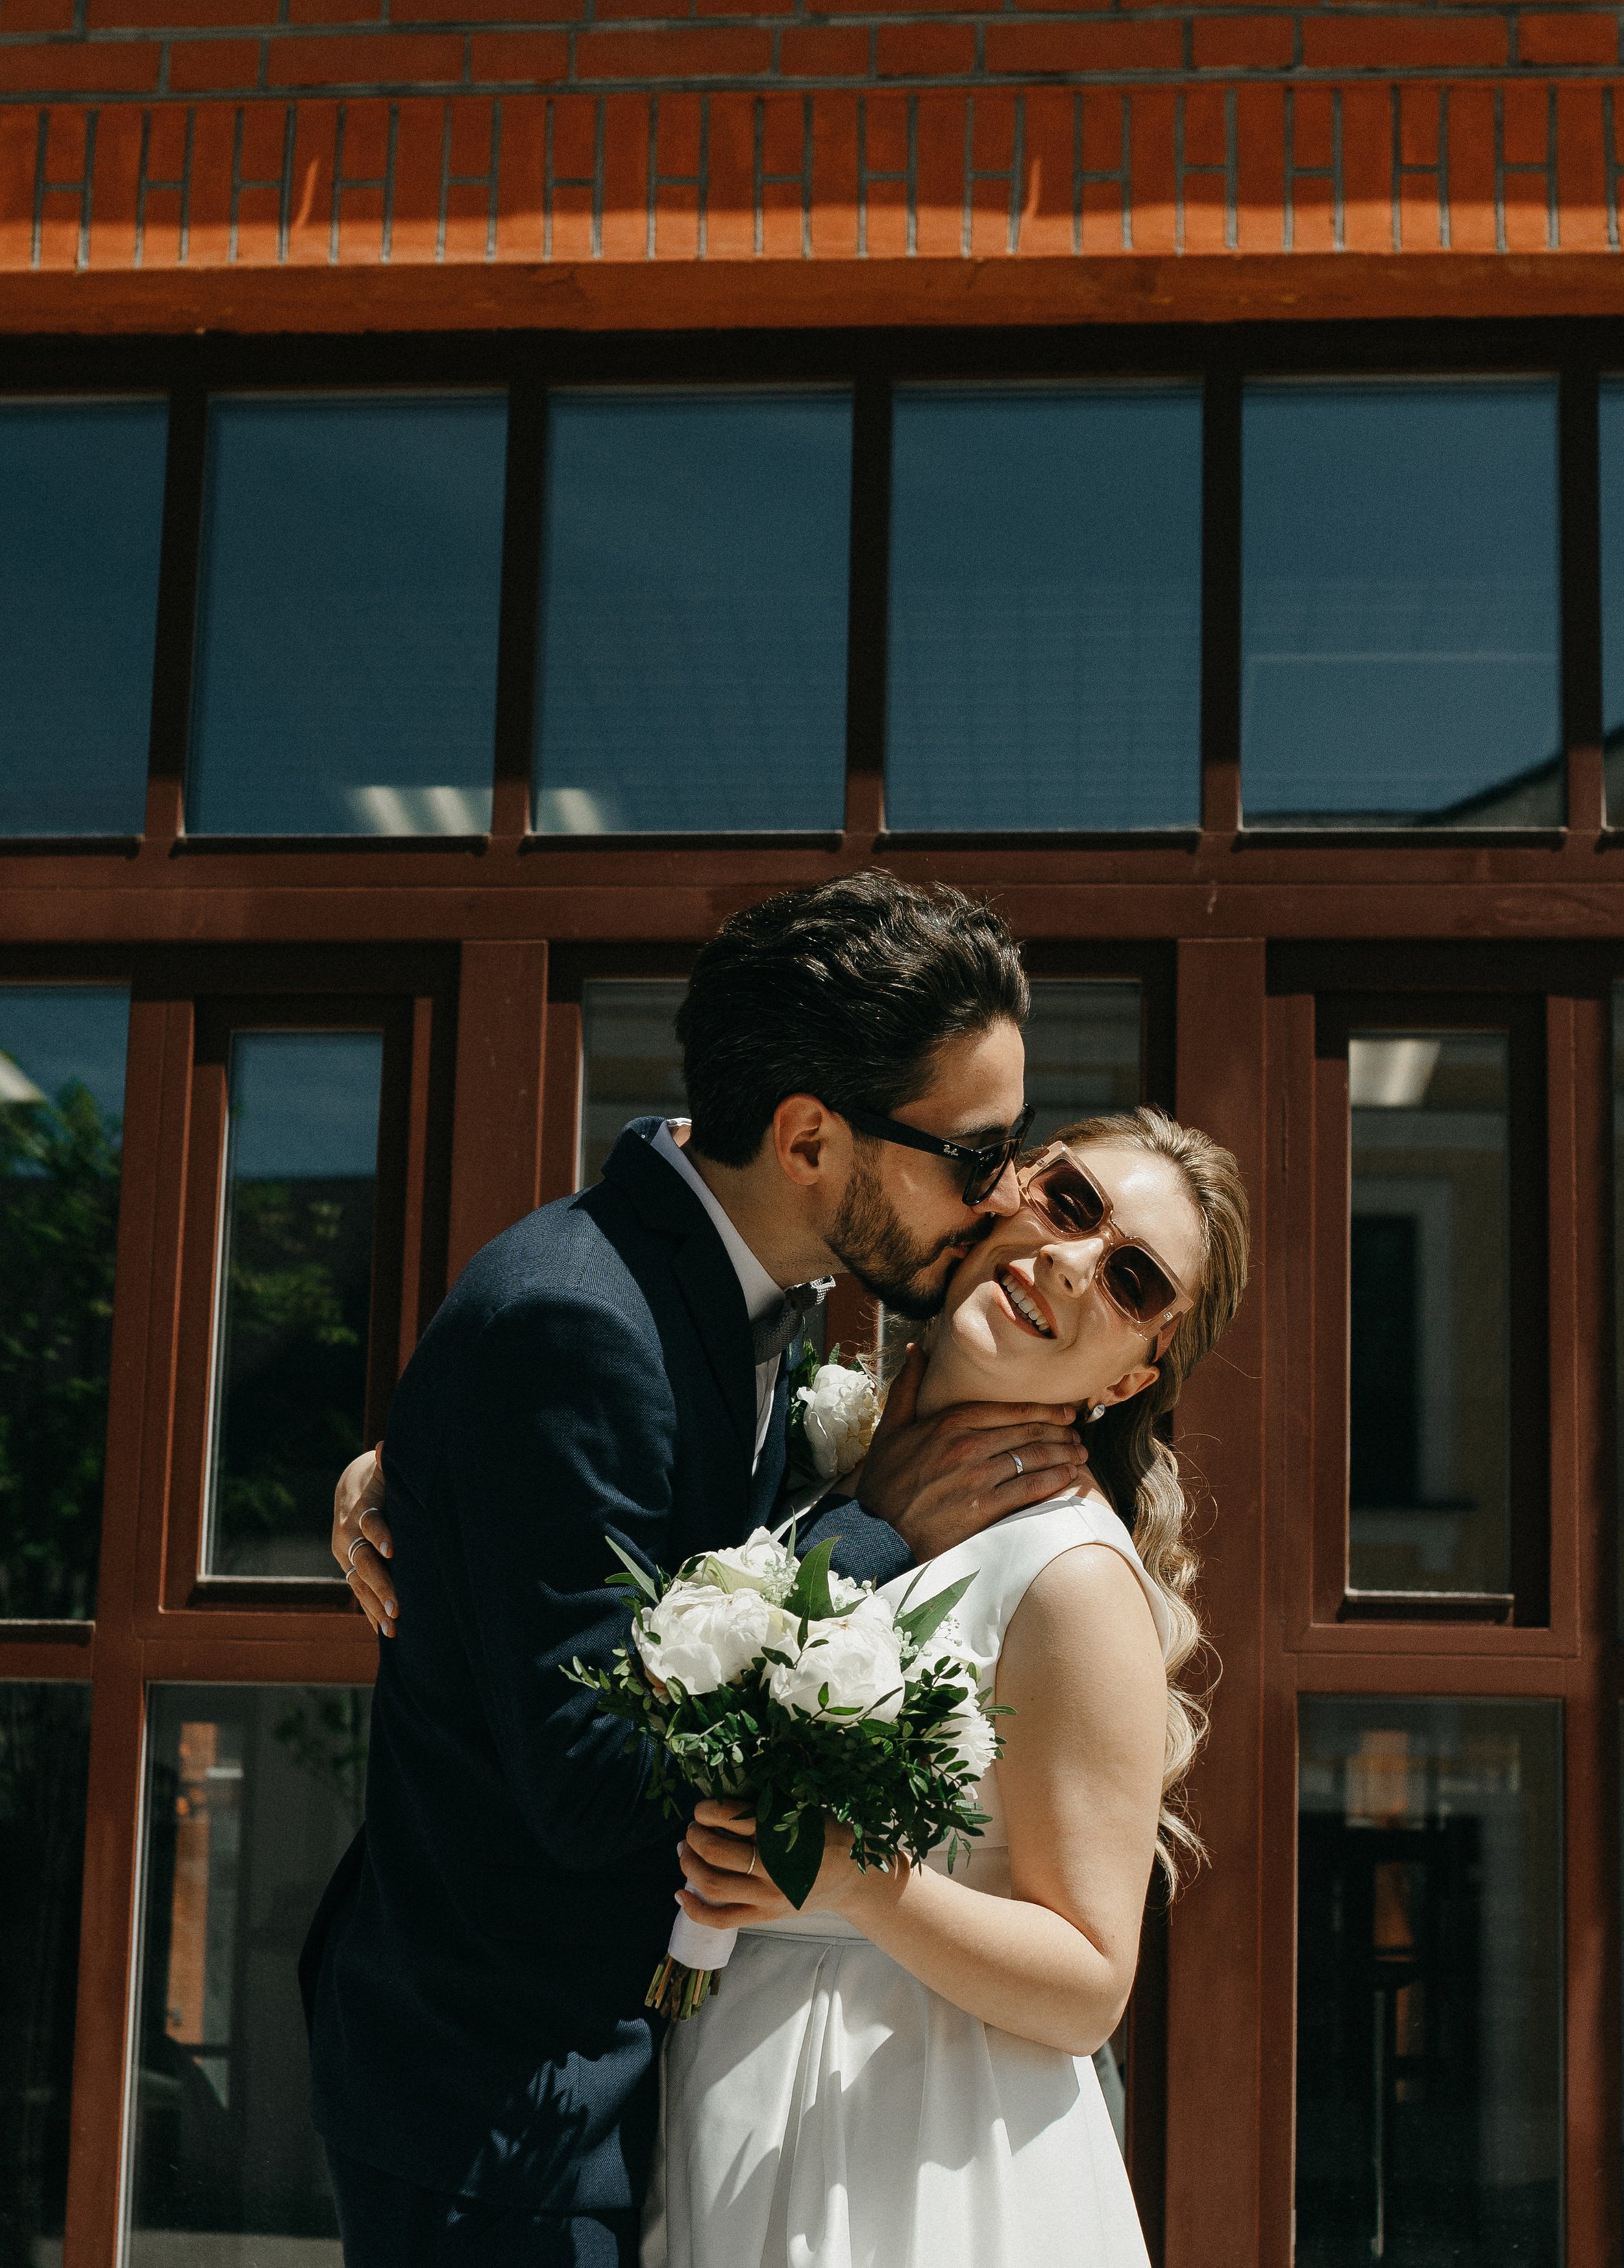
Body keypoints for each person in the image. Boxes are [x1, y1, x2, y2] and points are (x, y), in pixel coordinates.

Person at [302, 872, 1093, 2267]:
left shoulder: (753, 1297)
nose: (1002, 1199)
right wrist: (873, 1525)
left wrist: (419, 1467)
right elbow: (596, 1784)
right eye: (975, 1155)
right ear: (805, 1138)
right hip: (502, 2095)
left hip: (637, 2083)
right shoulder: (576, 1322)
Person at [639, 1104, 1248, 2268]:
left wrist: (868, 1887)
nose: (1070, 1262)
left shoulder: (1069, 1575)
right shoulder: (821, 1454)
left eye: (1129, 1279)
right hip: (735, 2080)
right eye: (1070, 1203)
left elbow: (1090, 1983)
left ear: (1133, 1375)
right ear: (1006, 1189)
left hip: (909, 2143)